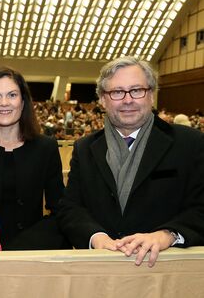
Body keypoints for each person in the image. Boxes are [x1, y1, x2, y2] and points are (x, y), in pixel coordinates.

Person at [57, 56, 204, 267]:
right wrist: (96, 237)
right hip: (101, 267)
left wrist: (167, 235)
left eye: (137, 90)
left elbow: (200, 207)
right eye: (117, 92)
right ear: (102, 100)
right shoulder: (84, 148)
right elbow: (71, 208)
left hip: (167, 268)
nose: (128, 100)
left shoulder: (190, 143)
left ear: (151, 95)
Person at [0, 66, 67, 250]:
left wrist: (29, 244)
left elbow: (60, 209)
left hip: (31, 251)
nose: (4, 103)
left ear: (23, 101)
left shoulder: (45, 147)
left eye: (12, 95)